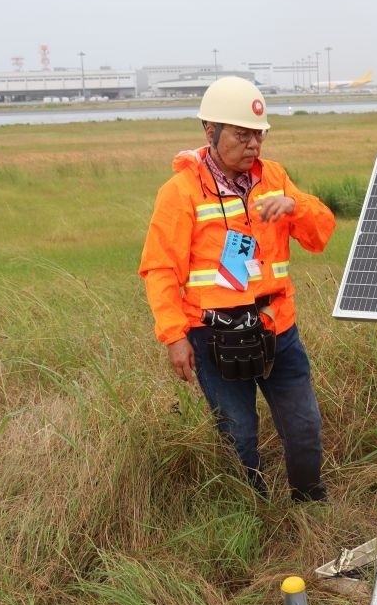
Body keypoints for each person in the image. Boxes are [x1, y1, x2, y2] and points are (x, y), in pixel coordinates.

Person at [139, 76, 335, 501]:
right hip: (213, 336)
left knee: (303, 426)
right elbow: (159, 269)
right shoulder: (180, 193)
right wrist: (174, 336)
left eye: (258, 136)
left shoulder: (275, 178)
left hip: (277, 329)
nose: (253, 146)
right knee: (239, 436)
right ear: (210, 132)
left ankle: (309, 502)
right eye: (242, 135)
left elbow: (320, 235)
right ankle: (254, 512)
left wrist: (295, 206)